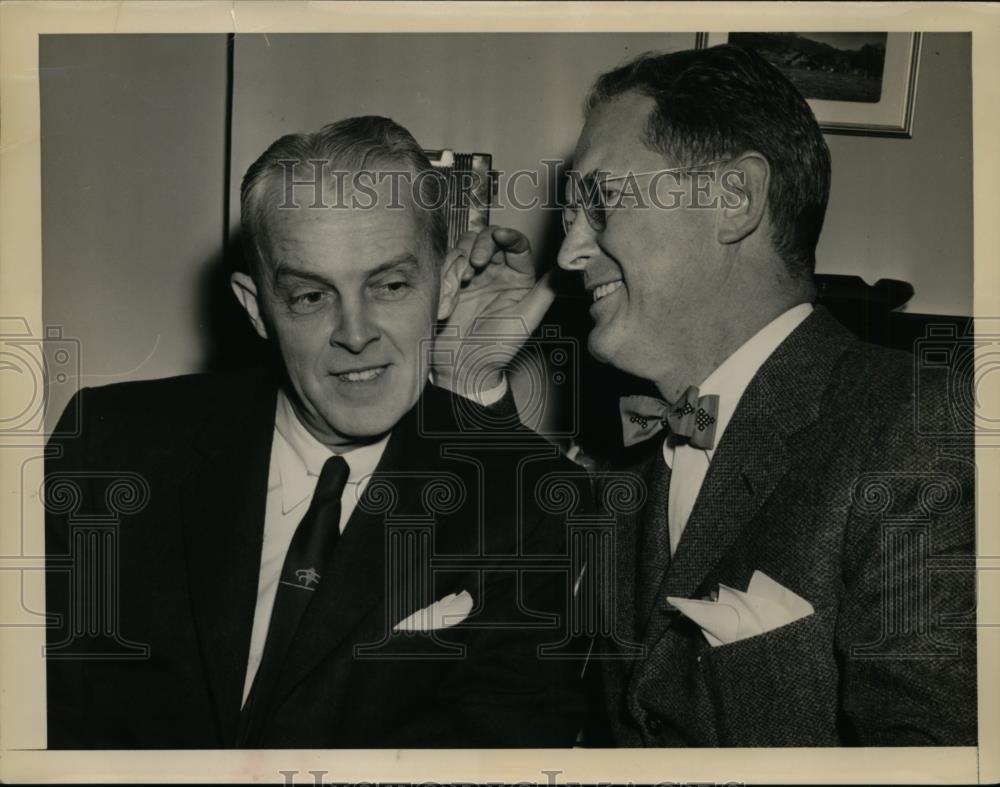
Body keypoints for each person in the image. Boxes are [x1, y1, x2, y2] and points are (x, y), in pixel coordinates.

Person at [447, 45, 976, 746]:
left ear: (733, 200)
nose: (570, 253)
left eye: (601, 204)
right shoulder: (622, 449)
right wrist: (469, 379)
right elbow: (510, 667)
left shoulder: (919, 424)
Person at [44, 116, 587, 749]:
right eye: (310, 296)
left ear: (444, 285)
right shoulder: (109, 448)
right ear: (256, 308)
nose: (355, 334)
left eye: (389, 285)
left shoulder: (538, 507)